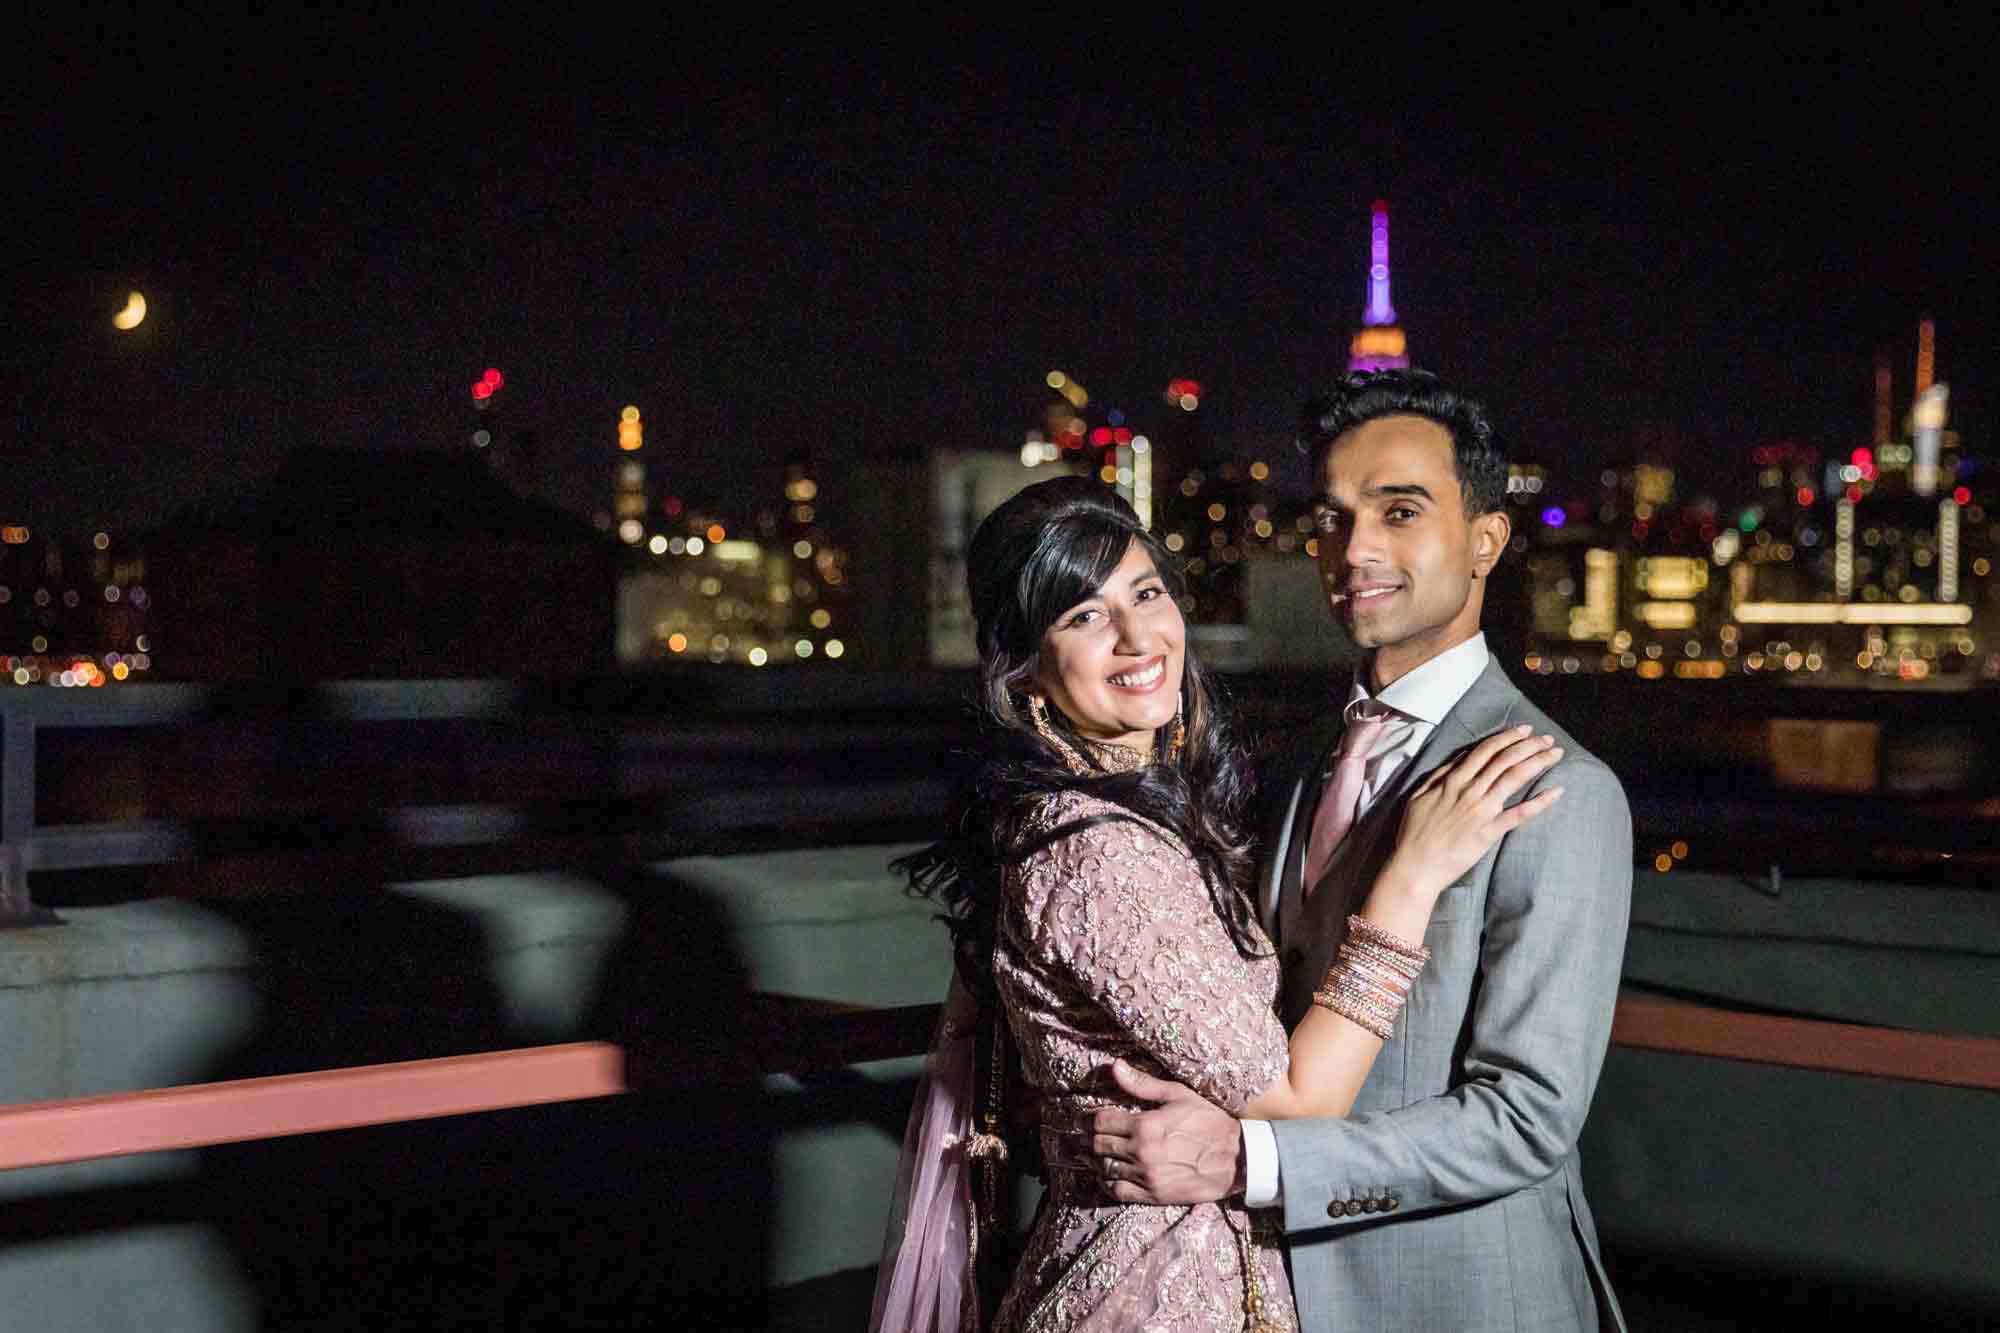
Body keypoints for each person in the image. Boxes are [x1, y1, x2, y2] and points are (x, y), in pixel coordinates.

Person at [870, 474, 1566, 1333]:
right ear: (1028, 674)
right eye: (1082, 617)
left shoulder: (1118, 815)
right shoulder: (1094, 850)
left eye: (1146, 592)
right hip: (1146, 1291)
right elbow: (1295, 1099)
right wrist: (1410, 876)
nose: (1136, 637)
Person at [1090, 369, 1634, 1331]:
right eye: (1335, 517)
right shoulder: (1300, 762)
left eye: (1400, 511)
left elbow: (1527, 1120)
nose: (1356, 549)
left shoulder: (1560, 789)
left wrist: (1250, 1160)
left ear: (1486, 541)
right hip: (1272, 1293)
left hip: (1462, 1298)